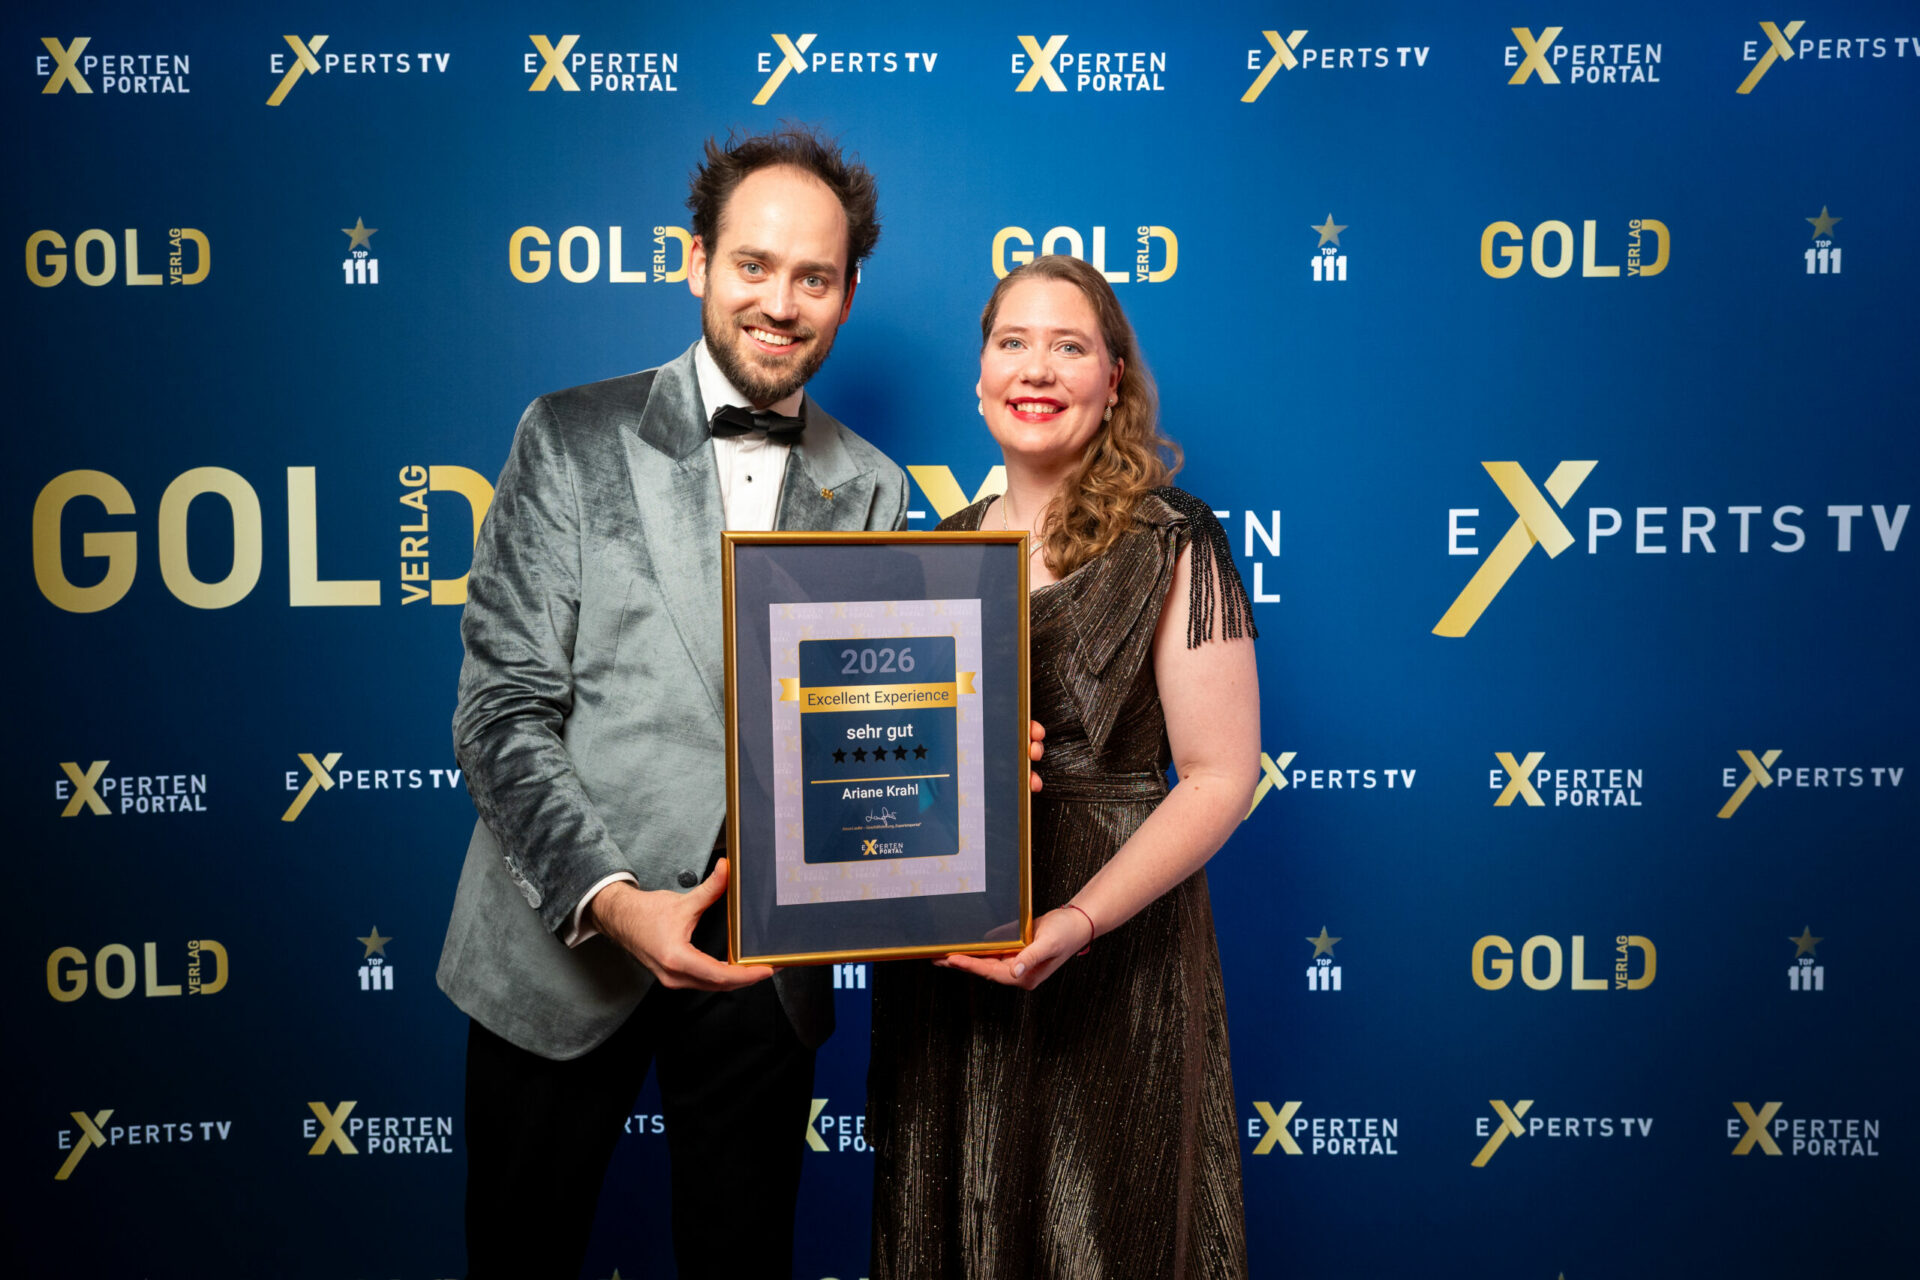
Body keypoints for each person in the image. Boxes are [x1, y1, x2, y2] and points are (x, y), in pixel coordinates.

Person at [436, 126, 908, 1280]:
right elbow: (501, 711)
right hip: (562, 943)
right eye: (754, 264)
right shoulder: (570, 435)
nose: (780, 303)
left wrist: (961, 761)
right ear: (696, 261)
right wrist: (613, 899)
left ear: (849, 294)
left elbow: (861, 731)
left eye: (814, 277)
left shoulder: (875, 487)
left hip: (764, 970)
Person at [869, 254, 1260, 1279]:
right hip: (955, 958)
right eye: (1014, 342)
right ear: (980, 378)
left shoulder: (1174, 538)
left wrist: (1078, 921)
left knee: (1105, 1230)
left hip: (1112, 943)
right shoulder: (932, 554)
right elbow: (887, 771)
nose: (1036, 369)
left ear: (1113, 380)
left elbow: (1221, 776)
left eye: (1069, 346)